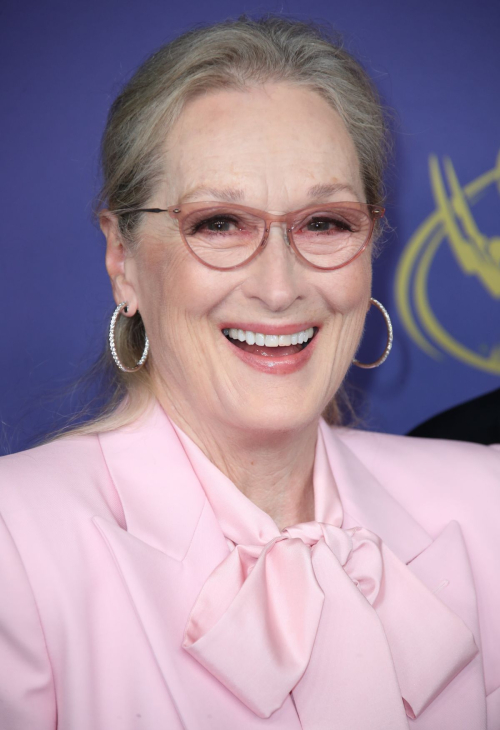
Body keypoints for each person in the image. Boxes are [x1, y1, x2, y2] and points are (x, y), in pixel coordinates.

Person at [0, 16, 498, 730]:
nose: (278, 285)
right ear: (123, 260)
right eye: (220, 223)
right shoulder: (14, 549)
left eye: (325, 222)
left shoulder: (488, 508)